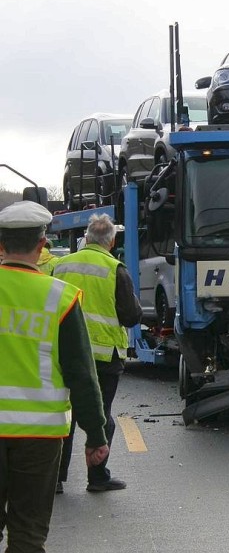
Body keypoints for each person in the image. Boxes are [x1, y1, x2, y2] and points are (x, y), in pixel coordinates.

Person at [0, 200, 108, 553]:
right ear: (43, 244)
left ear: (0, 245)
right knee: (28, 533)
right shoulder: (58, 298)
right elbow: (81, 373)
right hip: (39, 437)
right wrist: (95, 433)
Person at [53, 213, 142, 493]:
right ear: (112, 241)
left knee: (64, 417)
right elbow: (130, 316)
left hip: (63, 354)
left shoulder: (61, 266)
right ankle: (97, 476)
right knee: (100, 416)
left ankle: (55, 479)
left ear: (86, 238)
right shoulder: (116, 269)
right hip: (104, 358)